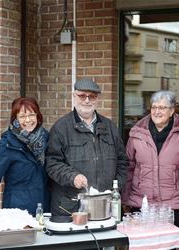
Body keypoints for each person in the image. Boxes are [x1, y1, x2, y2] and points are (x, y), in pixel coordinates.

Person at [45, 78, 128, 216]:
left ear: (97, 99)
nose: (87, 100)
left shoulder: (110, 127)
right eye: (82, 96)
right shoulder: (60, 128)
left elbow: (122, 162)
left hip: (104, 205)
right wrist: (72, 177)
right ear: (74, 96)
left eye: (92, 96)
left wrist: (116, 188)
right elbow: (52, 163)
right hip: (71, 207)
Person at [122, 90, 179, 228]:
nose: (157, 112)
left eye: (162, 108)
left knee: (168, 245)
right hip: (142, 202)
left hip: (173, 205)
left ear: (172, 110)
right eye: (154, 107)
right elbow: (129, 167)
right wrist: (126, 198)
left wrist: (177, 187)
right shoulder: (137, 134)